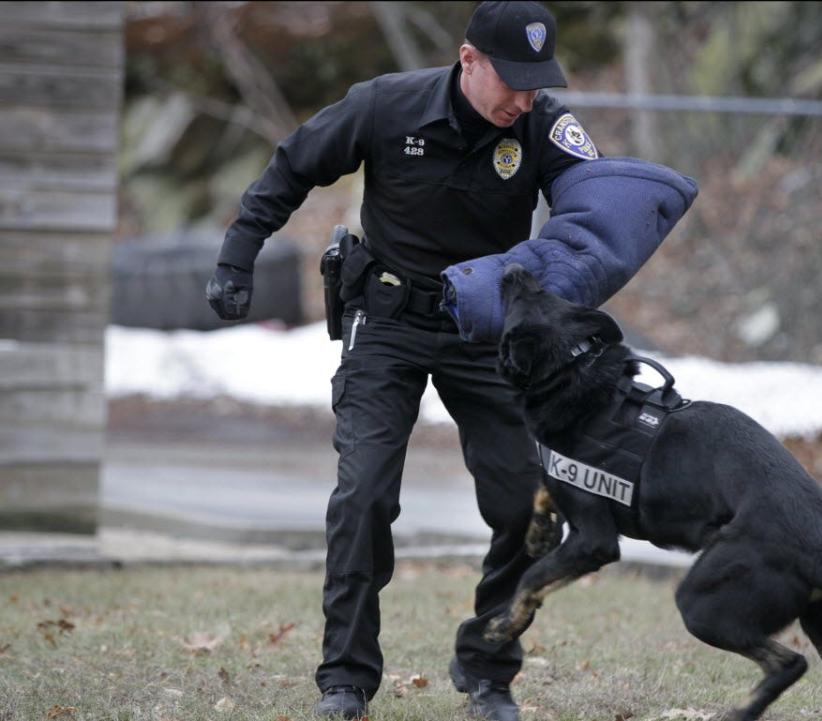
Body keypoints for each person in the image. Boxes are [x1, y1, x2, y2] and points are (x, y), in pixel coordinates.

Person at [205, 3, 599, 719]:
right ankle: (345, 681)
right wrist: (239, 254)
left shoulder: (543, 125)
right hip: (386, 318)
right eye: (511, 80)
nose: (524, 98)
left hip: (487, 328)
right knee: (363, 496)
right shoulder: (389, 106)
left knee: (527, 507)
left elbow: (594, 209)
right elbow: (295, 162)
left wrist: (579, 282)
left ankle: (488, 668)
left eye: (536, 83)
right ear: (468, 59)